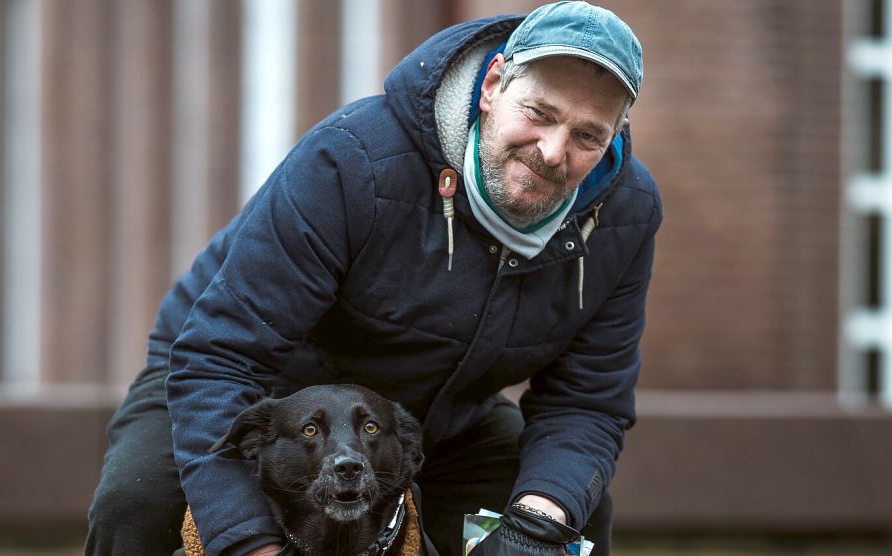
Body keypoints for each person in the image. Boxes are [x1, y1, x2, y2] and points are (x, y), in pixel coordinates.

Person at [86, 1, 660, 555]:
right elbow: (222, 356)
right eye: (539, 113)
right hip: (254, 393)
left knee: (573, 518)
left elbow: (586, 402)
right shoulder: (356, 160)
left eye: (588, 136)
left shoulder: (626, 216)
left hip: (435, 417)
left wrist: (536, 524)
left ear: (615, 135)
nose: (553, 151)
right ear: (493, 87)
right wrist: (246, 540)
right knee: (136, 506)